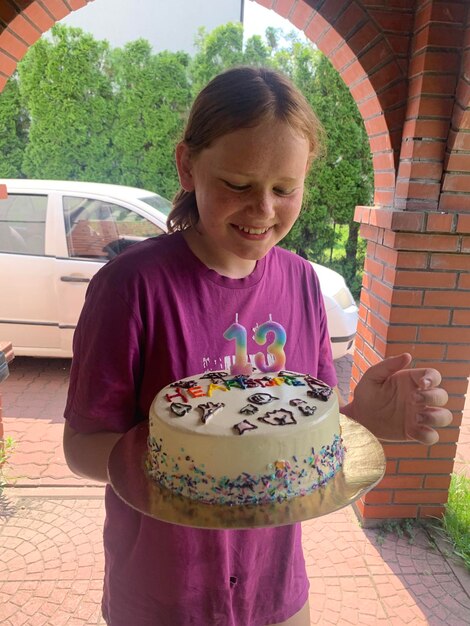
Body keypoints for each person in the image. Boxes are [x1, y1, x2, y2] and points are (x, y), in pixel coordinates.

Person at [63, 66, 452, 626]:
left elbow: (290, 436)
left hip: (277, 595)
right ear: (187, 165)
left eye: (283, 189)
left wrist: (359, 421)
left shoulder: (301, 283)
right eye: (238, 185)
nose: (263, 210)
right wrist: (193, 464)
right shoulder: (131, 287)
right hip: (162, 599)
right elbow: (81, 448)